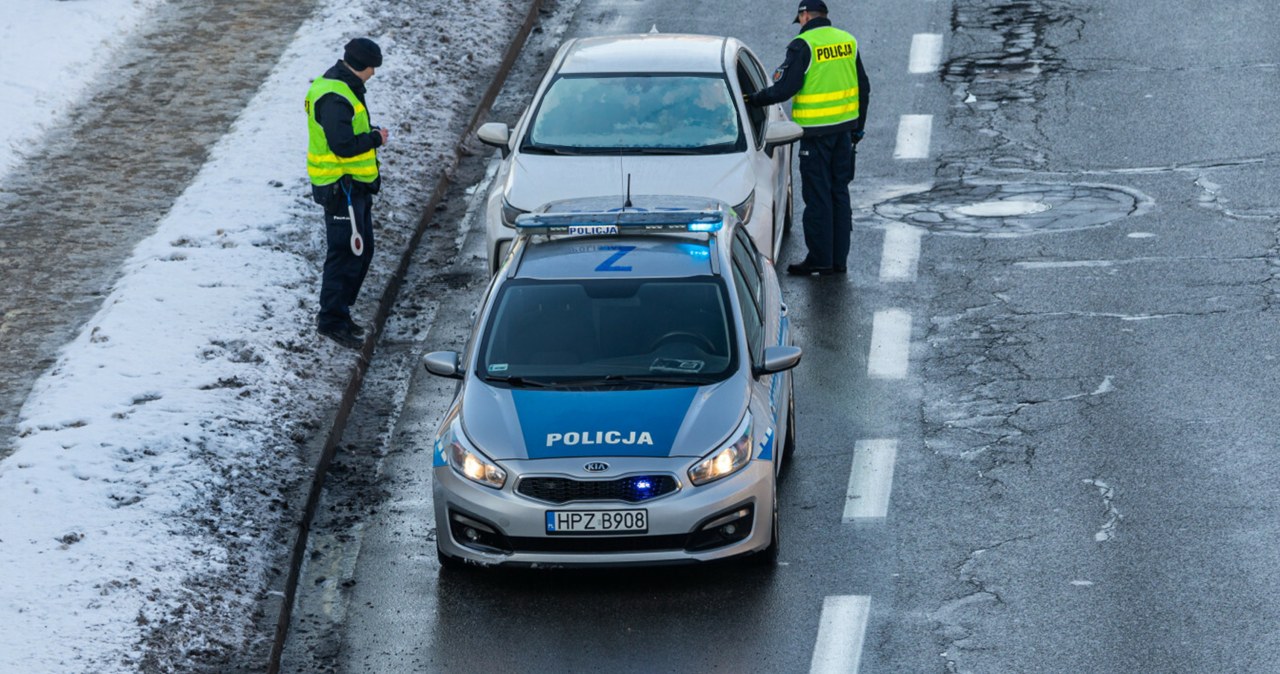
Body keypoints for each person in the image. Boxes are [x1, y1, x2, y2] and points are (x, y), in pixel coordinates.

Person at [747, 0, 869, 276]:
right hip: (844, 134)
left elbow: (784, 89)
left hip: (815, 137)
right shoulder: (847, 41)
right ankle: (838, 260)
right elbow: (864, 87)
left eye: (800, 18)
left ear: (804, 15)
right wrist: (858, 129)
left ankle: (820, 260)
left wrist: (753, 99)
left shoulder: (803, 45)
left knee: (818, 197)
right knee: (839, 193)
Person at [304, 37, 389, 348]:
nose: (374, 74)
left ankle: (340, 312)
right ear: (362, 66)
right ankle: (331, 321)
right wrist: (375, 139)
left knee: (361, 252)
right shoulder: (335, 95)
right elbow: (342, 145)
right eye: (372, 68)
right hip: (342, 189)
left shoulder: (343, 86)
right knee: (345, 254)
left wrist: (368, 134)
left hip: (353, 186)